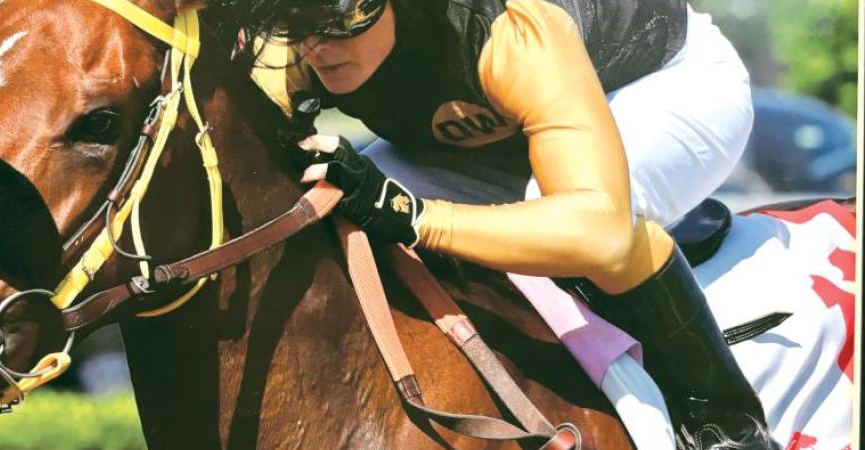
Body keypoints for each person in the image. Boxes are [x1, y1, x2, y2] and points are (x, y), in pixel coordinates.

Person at [227, 0, 775, 448]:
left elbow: (600, 233)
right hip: (506, 130)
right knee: (347, 210)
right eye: (294, 16)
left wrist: (411, 214)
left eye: (342, 13)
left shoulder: (514, 28)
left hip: (660, 82)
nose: (316, 43)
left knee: (564, 213)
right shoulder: (295, 47)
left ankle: (727, 426)